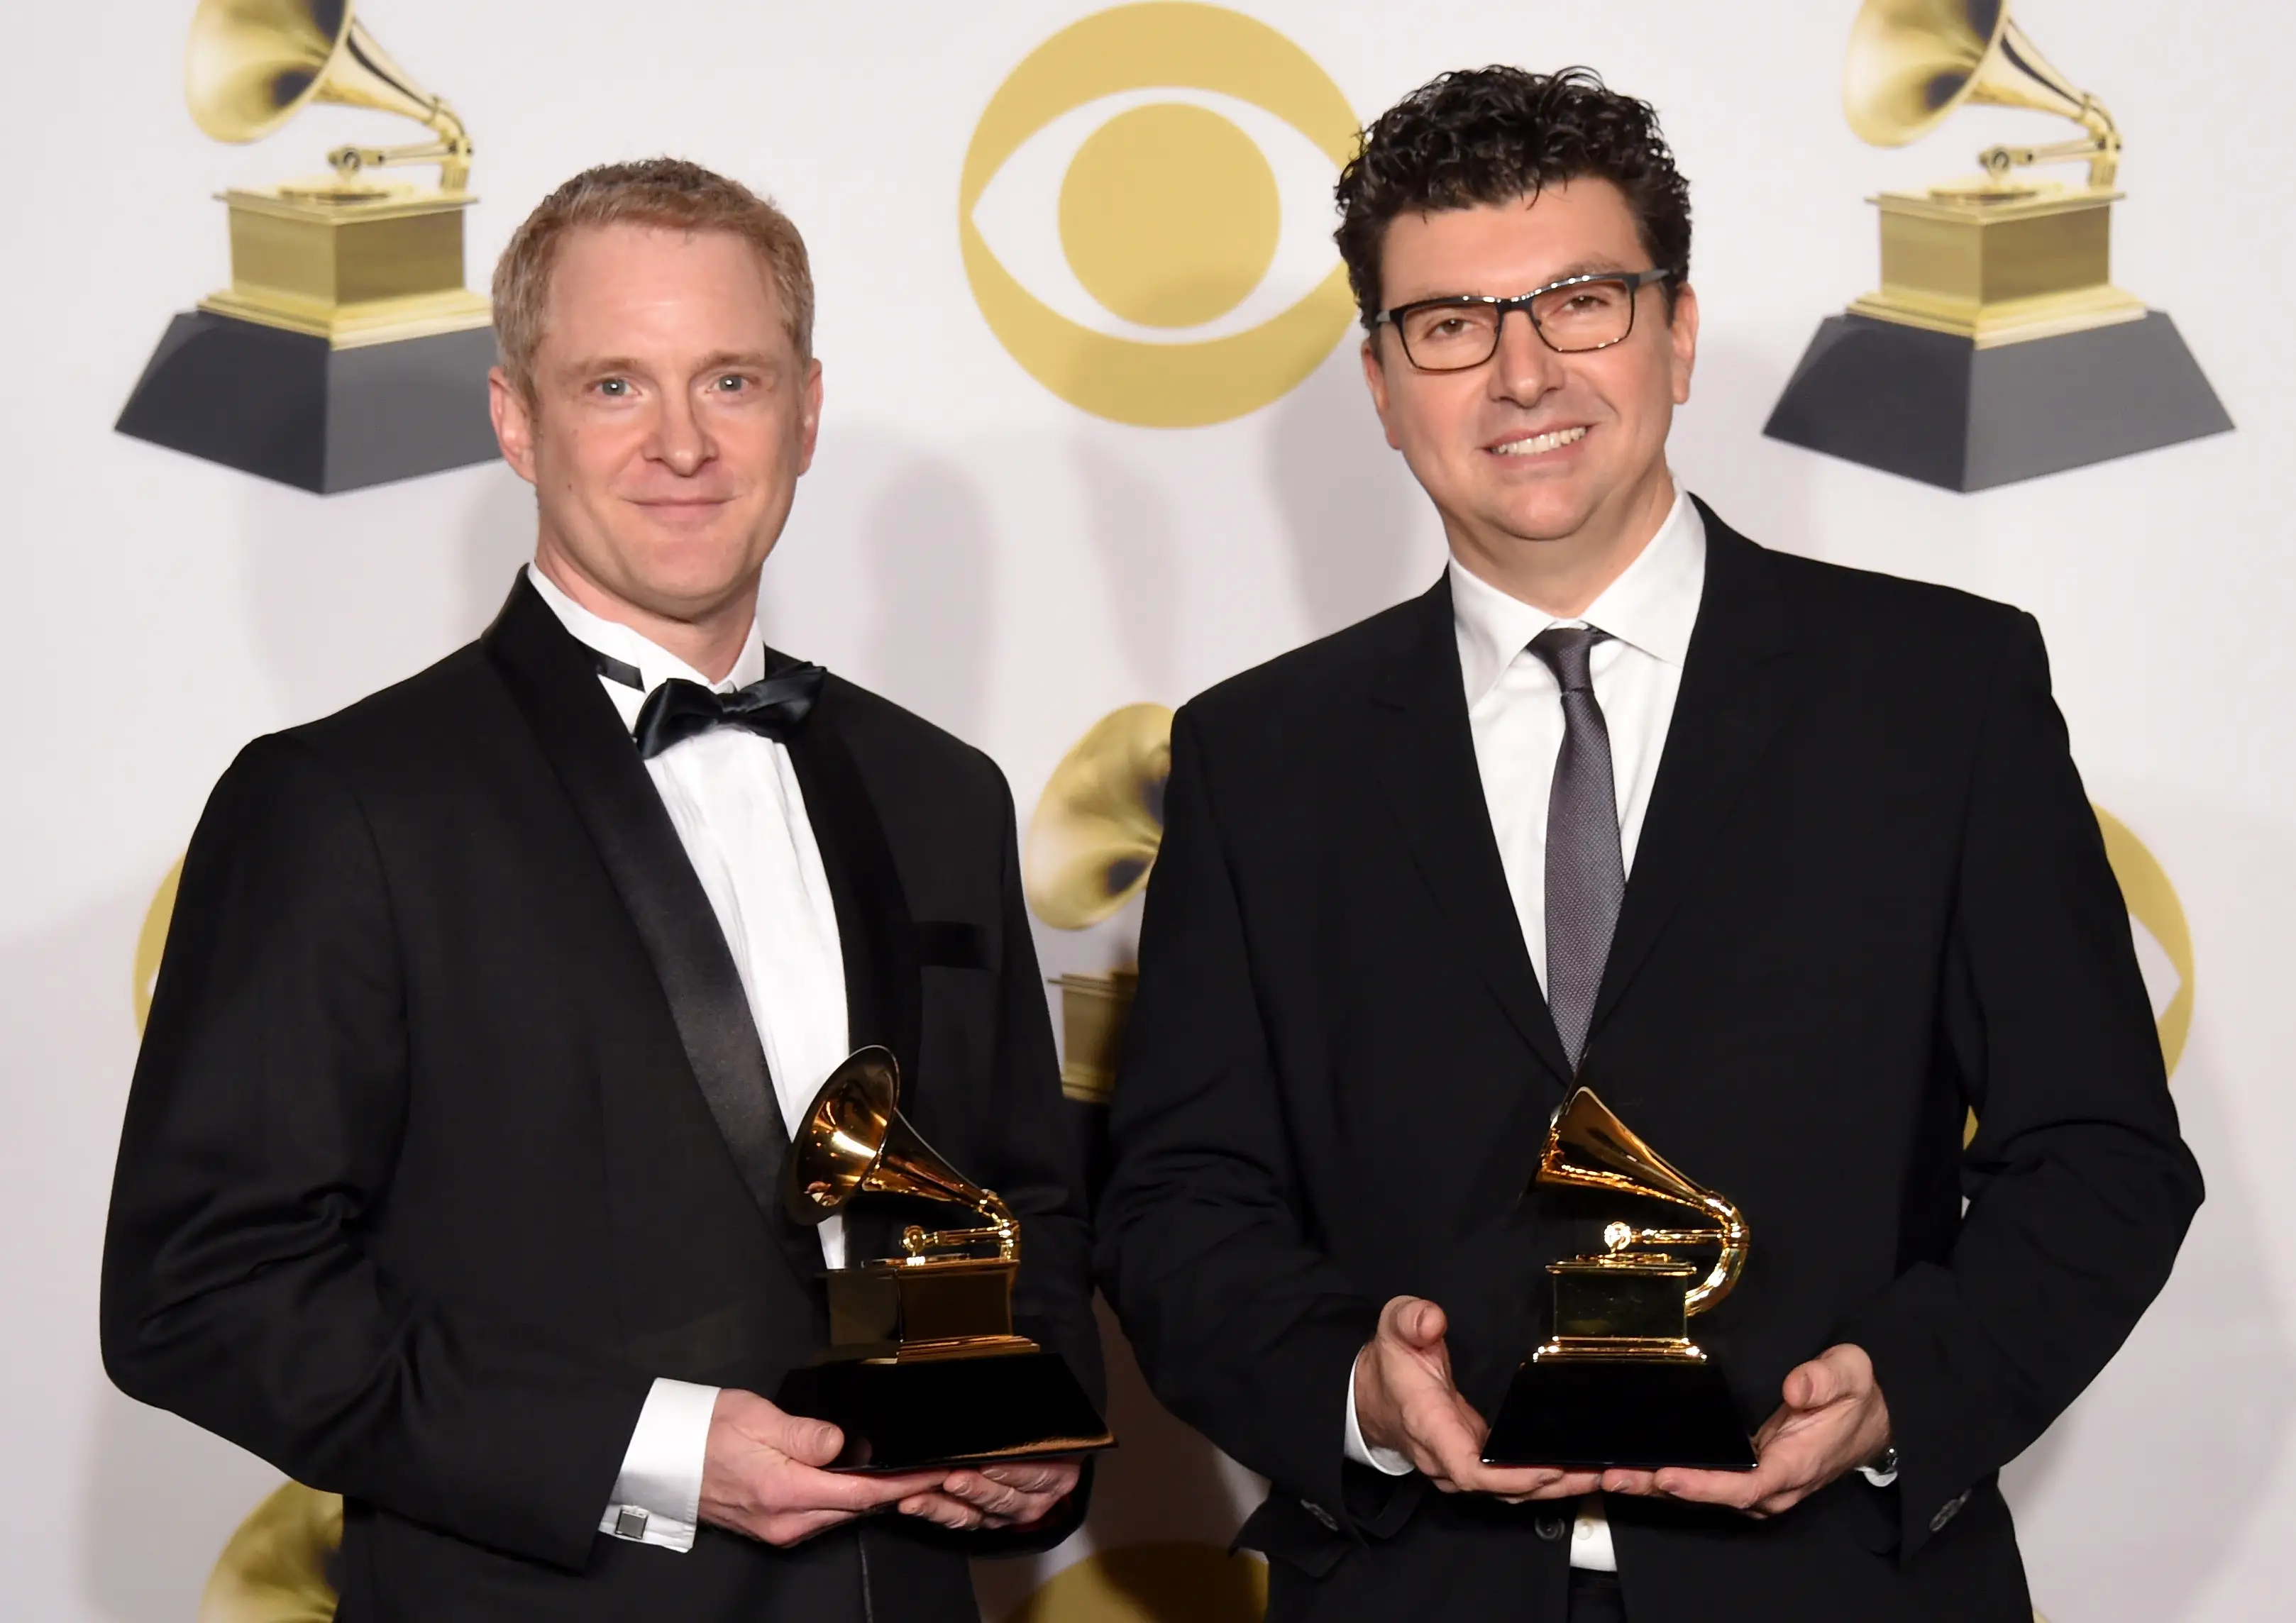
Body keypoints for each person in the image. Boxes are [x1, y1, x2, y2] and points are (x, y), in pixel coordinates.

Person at [1095, 67, 2200, 1623]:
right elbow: (1177, 1201)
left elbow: (2098, 1156)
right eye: (1451, 324)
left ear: (1676, 334)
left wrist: (1897, 1391)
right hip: (1416, 1593)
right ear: (1380, 383)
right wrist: (1353, 1389)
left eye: (1580, 302)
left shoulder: (1941, 693)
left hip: (1848, 1589)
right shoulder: (1254, 755)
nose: (1521, 372)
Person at [101, 158, 1098, 1622]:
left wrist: (1040, 1416)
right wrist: (660, 1449)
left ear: (806, 411)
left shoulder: (942, 789)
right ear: (516, 418)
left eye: (734, 382)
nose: (683, 443)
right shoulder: (343, 802)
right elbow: (203, 1291)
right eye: (615, 386)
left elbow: (1035, 1193)